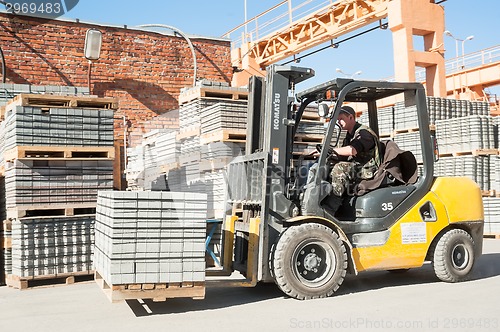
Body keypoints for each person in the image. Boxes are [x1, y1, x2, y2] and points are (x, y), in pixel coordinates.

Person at [328, 105, 382, 198]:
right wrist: (324, 154)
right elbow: (342, 156)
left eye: (341, 119)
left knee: (340, 168)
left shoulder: (363, 133)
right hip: (357, 167)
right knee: (327, 165)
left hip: (368, 168)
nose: (339, 122)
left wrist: (331, 150)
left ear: (350, 117)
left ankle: (333, 204)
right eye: (337, 120)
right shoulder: (349, 136)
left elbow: (352, 150)